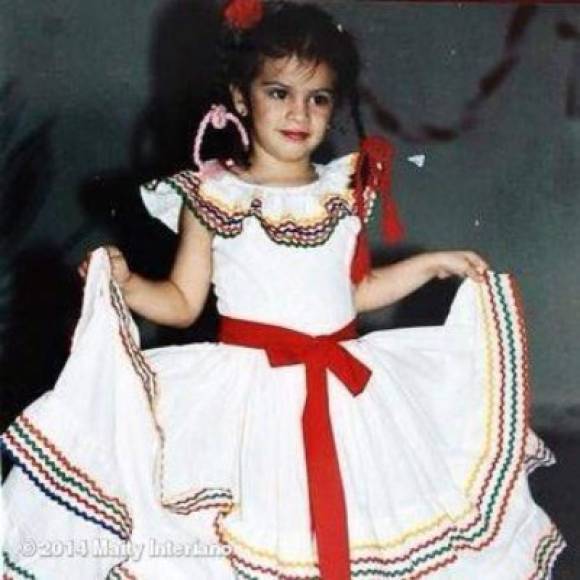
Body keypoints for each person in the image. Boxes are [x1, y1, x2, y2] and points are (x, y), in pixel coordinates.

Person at [1, 1, 565, 579]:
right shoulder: (214, 196)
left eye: (317, 98)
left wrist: (427, 266)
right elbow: (182, 303)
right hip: (249, 401)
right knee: (257, 533)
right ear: (242, 99)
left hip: (349, 396)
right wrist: (127, 284)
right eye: (279, 94)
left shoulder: (343, 191)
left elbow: (355, 291)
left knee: (359, 528)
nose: (299, 113)